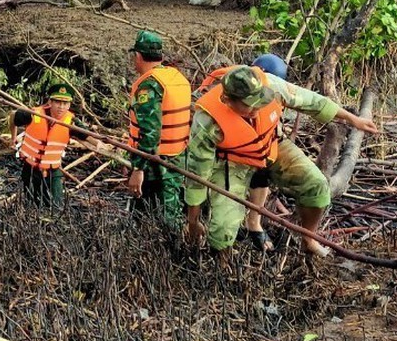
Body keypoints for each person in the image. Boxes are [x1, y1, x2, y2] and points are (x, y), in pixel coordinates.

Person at [185, 65, 378, 259]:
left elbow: (312, 101)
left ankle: (309, 238)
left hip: (271, 146)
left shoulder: (272, 85)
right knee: (222, 231)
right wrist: (193, 221)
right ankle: (223, 264)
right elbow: (197, 174)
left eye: (259, 101)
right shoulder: (206, 121)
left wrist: (353, 119)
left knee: (317, 186)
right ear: (228, 100)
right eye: (248, 104)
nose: (255, 109)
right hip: (233, 162)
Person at [195, 54, 287, 251]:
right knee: (218, 202)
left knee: (261, 173)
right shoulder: (228, 92)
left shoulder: (268, 92)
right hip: (221, 152)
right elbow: (198, 163)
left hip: (252, 150)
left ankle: (253, 223)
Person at [126, 30, 192, 227]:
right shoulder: (176, 77)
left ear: (138, 56)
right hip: (178, 159)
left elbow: (150, 133)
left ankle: (164, 253)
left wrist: (138, 169)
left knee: (155, 218)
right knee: (172, 210)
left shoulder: (150, 86)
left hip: (155, 166)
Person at [9, 83, 100, 208]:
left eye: (65, 103)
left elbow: (87, 136)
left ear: (69, 105)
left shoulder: (71, 122)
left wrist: (100, 144)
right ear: (50, 102)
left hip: (52, 171)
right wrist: (13, 138)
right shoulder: (34, 114)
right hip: (30, 168)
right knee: (31, 205)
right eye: (58, 102)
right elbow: (13, 115)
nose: (61, 107)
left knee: (56, 206)